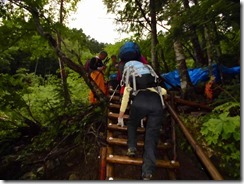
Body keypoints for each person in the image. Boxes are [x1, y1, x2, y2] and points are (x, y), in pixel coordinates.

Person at [117, 42, 167, 180]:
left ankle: (132, 147)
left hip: (139, 102)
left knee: (132, 124)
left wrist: (121, 114)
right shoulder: (148, 69)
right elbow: (163, 91)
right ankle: (147, 172)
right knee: (151, 139)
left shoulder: (129, 69)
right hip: (156, 104)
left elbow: (127, 92)